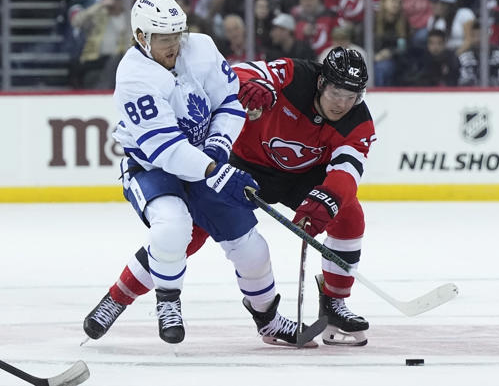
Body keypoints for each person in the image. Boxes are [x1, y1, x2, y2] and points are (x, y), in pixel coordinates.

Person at [85, 46, 375, 347]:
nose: (342, 103)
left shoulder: (359, 123)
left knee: (349, 215)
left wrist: (326, 201)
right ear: (321, 83)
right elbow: (234, 75)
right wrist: (253, 85)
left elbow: (347, 173)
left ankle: (335, 305)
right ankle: (117, 297)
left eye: (350, 96)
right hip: (243, 165)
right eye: (336, 92)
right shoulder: (293, 75)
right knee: (188, 233)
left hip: (301, 179)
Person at [83, 0, 316, 348]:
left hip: (205, 159)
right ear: (142, 37)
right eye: (164, 38)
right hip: (153, 166)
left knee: (252, 250)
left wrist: (218, 148)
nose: (174, 44)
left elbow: (229, 102)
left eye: (178, 34)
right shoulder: (134, 77)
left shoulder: (202, 48)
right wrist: (216, 171)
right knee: (172, 227)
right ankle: (166, 302)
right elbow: (167, 150)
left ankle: (268, 320)